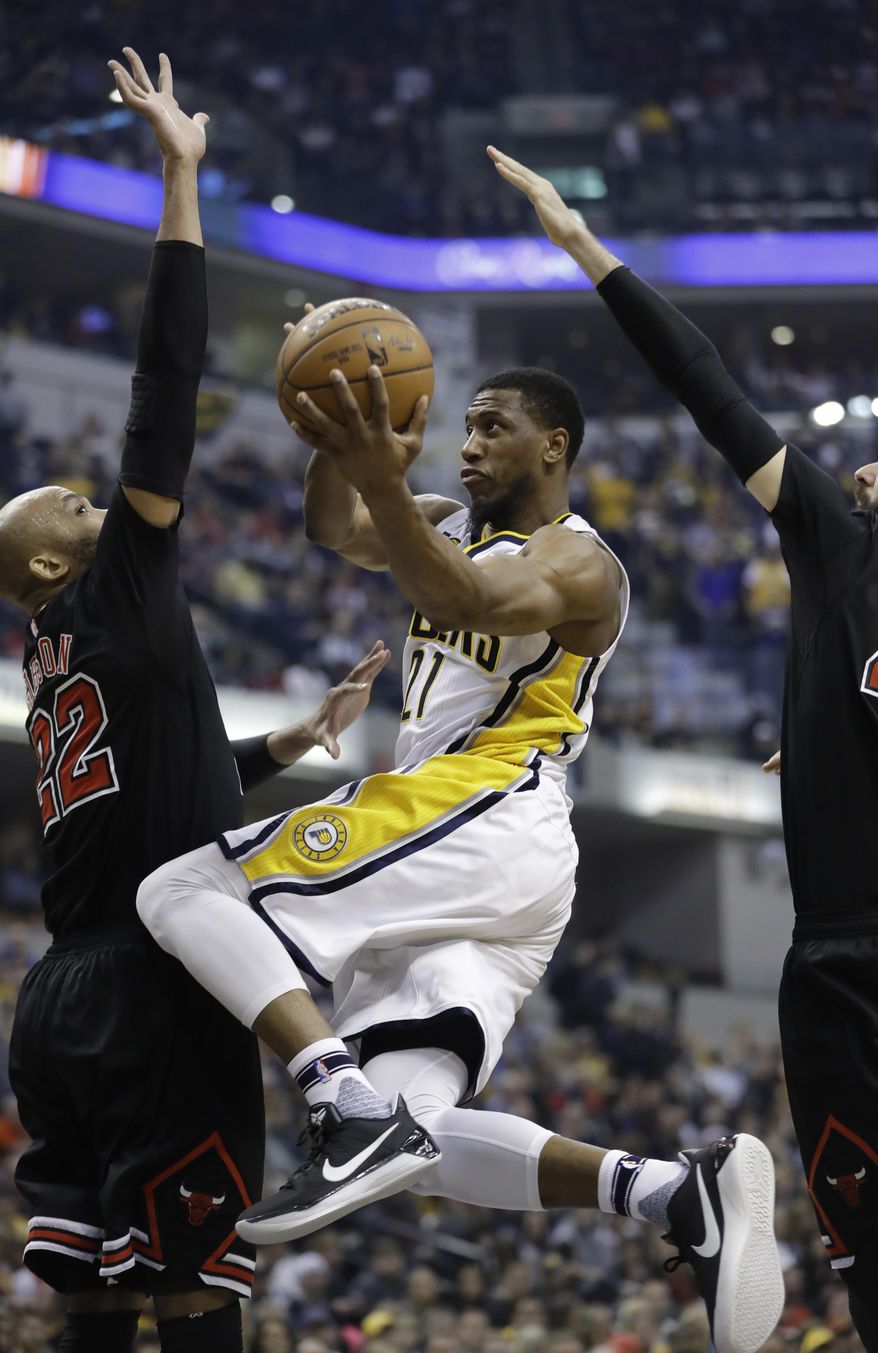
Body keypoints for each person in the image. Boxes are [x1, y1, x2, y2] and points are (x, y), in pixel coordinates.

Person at [137, 278, 783, 1353]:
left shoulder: (581, 561)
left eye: (494, 428)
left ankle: (332, 1097)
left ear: (552, 448)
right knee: (417, 1129)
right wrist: (346, 425)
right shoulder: (439, 521)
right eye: (465, 424)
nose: (470, 445)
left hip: (487, 808)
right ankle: (670, 1194)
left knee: (180, 885)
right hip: (478, 868)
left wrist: (390, 481)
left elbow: (470, 603)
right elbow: (331, 523)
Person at [1, 50, 415, 1353]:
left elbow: (144, 775)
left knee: (91, 1301)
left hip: (60, 997)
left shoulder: (50, 653)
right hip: (153, 981)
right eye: (69, 506)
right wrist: (179, 179)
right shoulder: (115, 580)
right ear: (60, 561)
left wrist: (284, 740)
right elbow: (162, 390)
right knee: (194, 1294)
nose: (91, 493)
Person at [486, 141, 878, 1347]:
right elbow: (710, 393)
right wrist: (587, 252)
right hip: (834, 949)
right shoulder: (837, 543)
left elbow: (717, 396)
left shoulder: (836, 541)